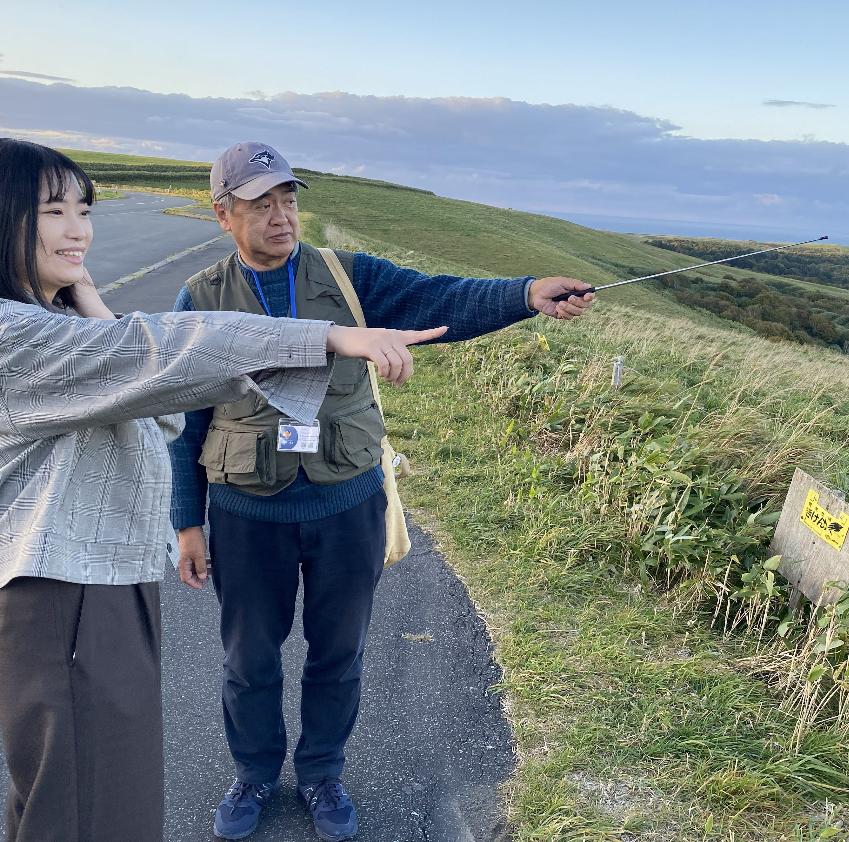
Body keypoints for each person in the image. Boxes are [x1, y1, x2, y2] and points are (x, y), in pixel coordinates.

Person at [0, 138, 445, 842]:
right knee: (86, 810)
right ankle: (257, 772)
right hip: (63, 602)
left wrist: (88, 300)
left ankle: (320, 770)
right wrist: (327, 338)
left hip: (104, 589)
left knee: (94, 803)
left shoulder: (54, 325)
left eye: (85, 209)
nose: (79, 229)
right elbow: (166, 353)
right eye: (54, 210)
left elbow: (160, 408)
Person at [169, 142, 593, 841]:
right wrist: (188, 522)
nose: (281, 217)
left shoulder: (348, 275)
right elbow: (184, 420)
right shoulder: (202, 297)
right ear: (223, 215)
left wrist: (524, 294)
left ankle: (321, 773)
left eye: (288, 200)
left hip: (347, 503)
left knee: (339, 653)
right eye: (260, 205)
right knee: (249, 659)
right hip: (246, 512)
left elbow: (439, 298)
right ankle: (254, 773)